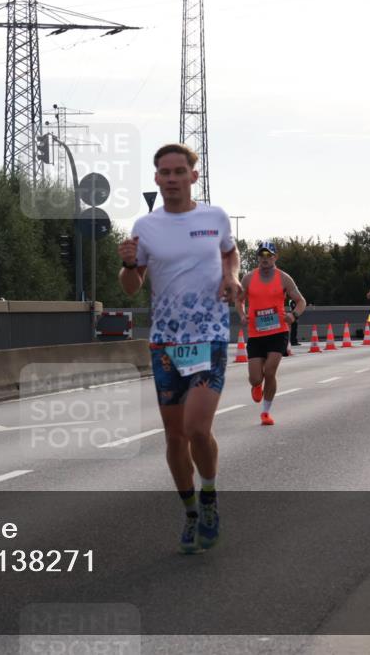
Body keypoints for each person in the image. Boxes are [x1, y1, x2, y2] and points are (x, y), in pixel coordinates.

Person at [118, 143, 240, 554]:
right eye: (163, 172)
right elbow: (132, 287)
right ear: (156, 179)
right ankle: (190, 511)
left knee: (197, 429)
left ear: (193, 175)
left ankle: (209, 496)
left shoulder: (214, 217)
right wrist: (130, 264)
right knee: (173, 438)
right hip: (166, 341)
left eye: (178, 171)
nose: (171, 178)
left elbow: (230, 252)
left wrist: (232, 277)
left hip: (209, 335)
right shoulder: (146, 227)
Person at [238, 241, 306, 426]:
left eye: (269, 255)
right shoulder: (248, 278)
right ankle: (256, 386)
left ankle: (266, 413)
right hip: (256, 334)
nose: (265, 259)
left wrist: (294, 315)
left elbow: (301, 301)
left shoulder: (284, 278)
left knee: (270, 371)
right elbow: (239, 300)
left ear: (275, 257)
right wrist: (242, 314)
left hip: (278, 332)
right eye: (262, 255)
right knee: (255, 378)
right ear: (257, 257)